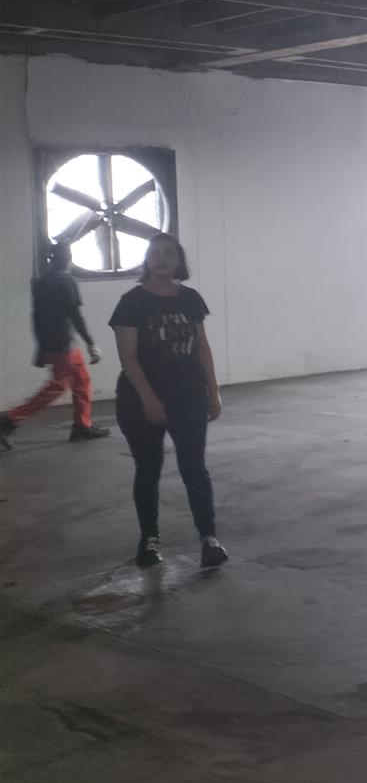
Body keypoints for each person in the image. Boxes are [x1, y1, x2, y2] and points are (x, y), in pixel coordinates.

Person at [110, 232, 227, 569]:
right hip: (139, 398)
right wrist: (149, 398)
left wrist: (213, 390)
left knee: (194, 467)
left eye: (169, 253)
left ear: (179, 260)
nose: (161, 259)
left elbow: (201, 347)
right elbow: (128, 357)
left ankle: (209, 538)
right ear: (147, 260)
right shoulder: (132, 302)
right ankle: (149, 540)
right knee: (148, 468)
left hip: (188, 395)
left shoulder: (190, 299)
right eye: (155, 253)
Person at [0, 241, 108, 450]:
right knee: (58, 386)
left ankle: (82, 426)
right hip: (65, 344)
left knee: (80, 381)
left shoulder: (41, 282)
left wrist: (41, 348)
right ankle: (10, 420)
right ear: (68, 258)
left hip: (52, 344)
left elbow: (36, 318)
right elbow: (75, 316)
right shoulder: (67, 280)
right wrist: (91, 344)